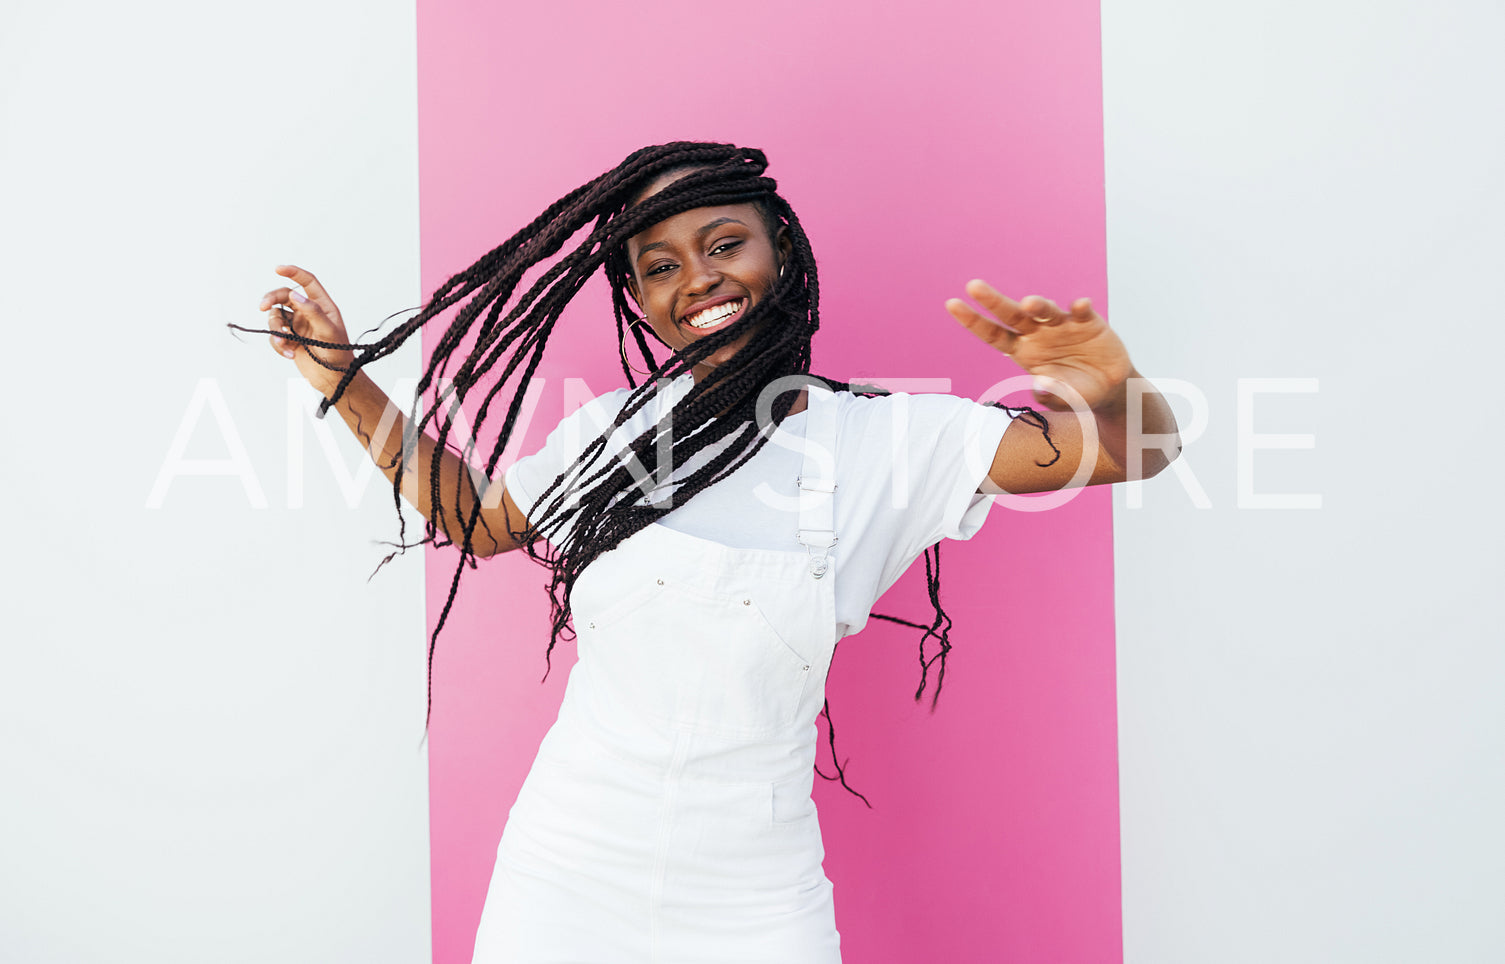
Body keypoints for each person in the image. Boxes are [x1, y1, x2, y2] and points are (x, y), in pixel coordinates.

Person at [248, 142, 1179, 962]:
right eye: (659, 266)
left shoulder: (890, 444)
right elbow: (480, 519)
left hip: (755, 898)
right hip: (565, 874)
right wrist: (344, 378)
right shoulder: (606, 436)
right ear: (640, 300)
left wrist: (1112, 382)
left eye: (724, 244)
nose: (696, 278)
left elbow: (1136, 449)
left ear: (782, 249)